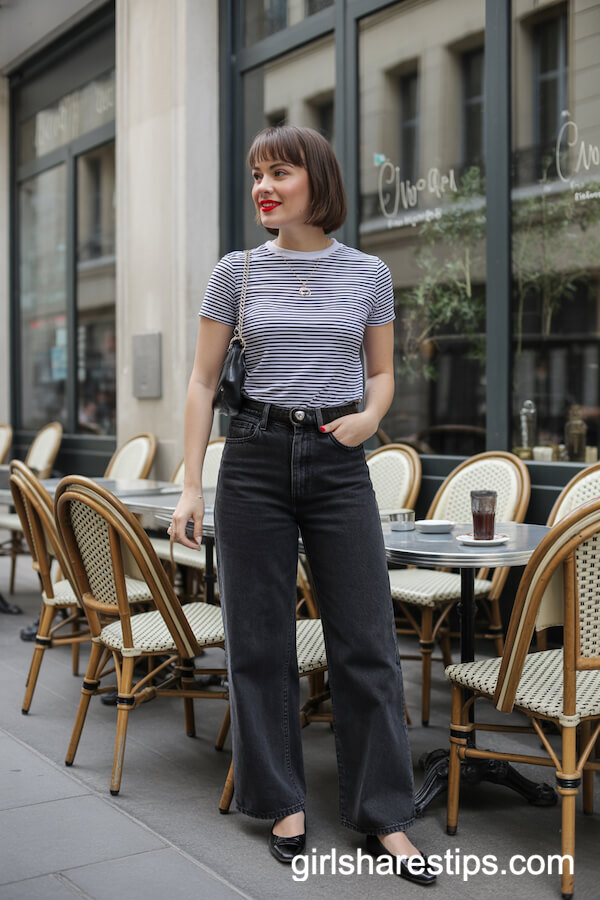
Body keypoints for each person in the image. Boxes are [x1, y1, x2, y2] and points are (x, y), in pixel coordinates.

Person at [169, 125, 436, 886]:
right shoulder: (236, 272)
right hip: (252, 460)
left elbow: (380, 373)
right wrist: (191, 483)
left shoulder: (369, 274)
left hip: (338, 461)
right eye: (258, 174)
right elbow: (201, 382)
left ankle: (383, 813)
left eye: (279, 172)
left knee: (368, 641)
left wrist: (370, 417)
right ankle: (282, 802)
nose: (263, 186)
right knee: (259, 640)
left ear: (317, 181)